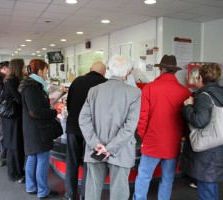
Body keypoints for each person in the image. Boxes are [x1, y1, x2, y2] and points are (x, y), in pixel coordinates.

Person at [79, 55, 141, 200]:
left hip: (96, 150)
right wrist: (110, 148)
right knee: (119, 193)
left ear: (109, 70)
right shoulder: (134, 93)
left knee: (92, 192)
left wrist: (95, 144)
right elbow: (130, 126)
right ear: (127, 73)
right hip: (120, 151)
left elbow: (83, 119)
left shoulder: (94, 90)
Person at [133, 55, 191, 200]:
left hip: (152, 140)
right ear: (175, 72)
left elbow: (143, 117)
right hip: (173, 143)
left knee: (144, 176)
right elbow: (186, 120)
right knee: (168, 179)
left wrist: (143, 136)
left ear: (160, 70)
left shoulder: (149, 88)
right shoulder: (185, 92)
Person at [181, 63, 223, 200]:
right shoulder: (220, 93)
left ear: (201, 78)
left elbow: (199, 121)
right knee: (212, 187)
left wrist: (188, 107)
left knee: (206, 190)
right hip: (216, 146)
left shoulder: (204, 95)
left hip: (206, 152)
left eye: (197, 77)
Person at [64, 62, 107, 200]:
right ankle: (84, 194)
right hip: (92, 132)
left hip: (73, 127)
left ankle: (69, 195)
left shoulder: (77, 81)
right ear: (104, 73)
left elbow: (69, 103)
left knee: (72, 163)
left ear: (90, 69)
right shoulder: (105, 84)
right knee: (89, 164)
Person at [19, 59, 59, 199]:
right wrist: (53, 113)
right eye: (46, 71)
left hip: (33, 129)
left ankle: (31, 186)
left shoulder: (32, 85)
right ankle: (42, 191)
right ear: (40, 71)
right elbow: (35, 111)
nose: (46, 75)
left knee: (33, 158)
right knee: (42, 158)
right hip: (38, 130)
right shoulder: (32, 87)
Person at [2, 58, 25, 183]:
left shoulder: (13, 80)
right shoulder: (12, 81)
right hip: (12, 118)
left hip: (15, 118)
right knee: (14, 146)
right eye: (23, 67)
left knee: (18, 146)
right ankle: (14, 174)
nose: (24, 69)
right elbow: (20, 99)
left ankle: (19, 171)